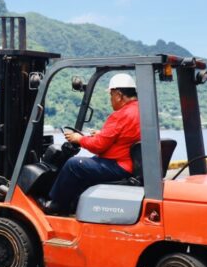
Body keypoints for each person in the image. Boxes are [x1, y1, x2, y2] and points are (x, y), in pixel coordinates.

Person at [43, 73, 141, 215]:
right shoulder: (140, 111)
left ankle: (57, 205)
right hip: (128, 163)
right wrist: (100, 134)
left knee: (73, 165)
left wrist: (79, 139)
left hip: (119, 165)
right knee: (89, 164)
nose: (110, 100)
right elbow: (123, 137)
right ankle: (75, 203)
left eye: (111, 95)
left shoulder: (121, 115)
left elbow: (99, 146)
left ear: (119, 95)